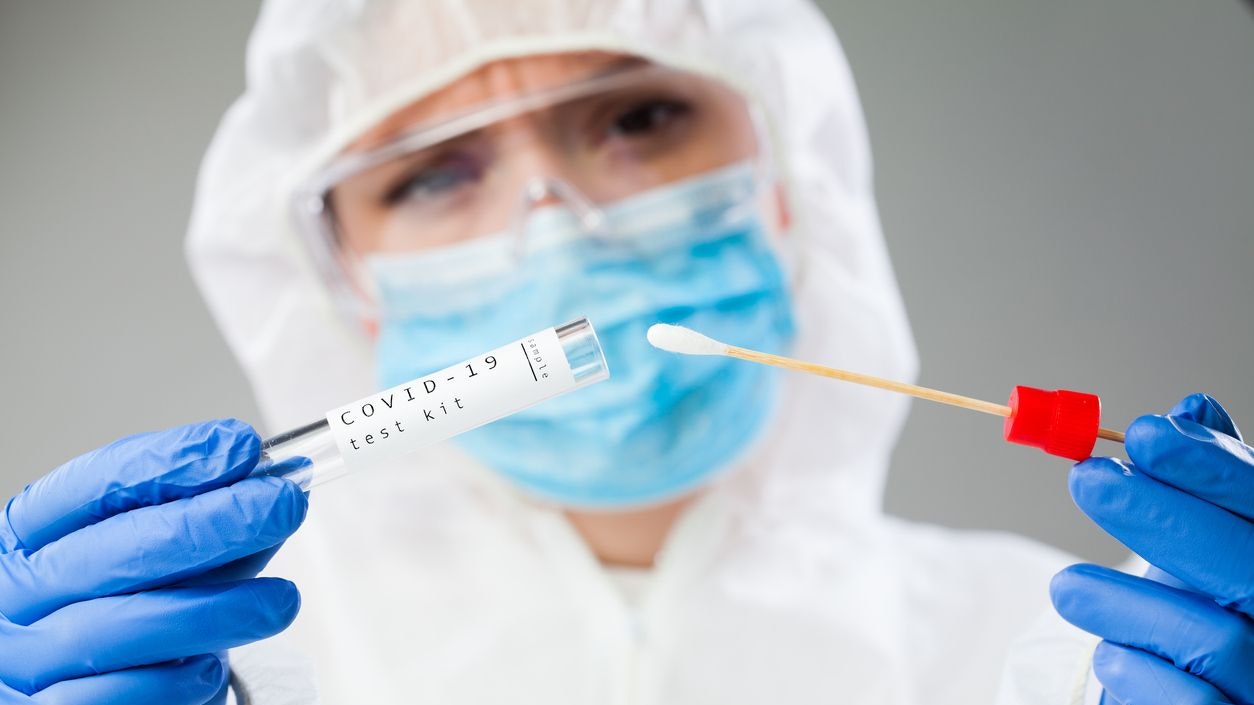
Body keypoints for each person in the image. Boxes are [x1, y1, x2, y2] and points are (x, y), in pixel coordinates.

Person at [1, 0, 1250, 703]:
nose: (556, 223)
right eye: (434, 174)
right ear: (342, 282)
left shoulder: (1063, 651)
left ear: (789, 180)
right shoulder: (219, 666)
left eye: (640, 116)